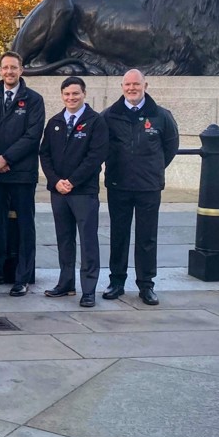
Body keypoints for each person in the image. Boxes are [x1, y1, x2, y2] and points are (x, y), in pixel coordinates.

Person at [101, 69, 180, 306]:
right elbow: (101, 146)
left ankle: (146, 285)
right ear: (122, 86)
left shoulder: (161, 116)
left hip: (148, 186)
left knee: (147, 238)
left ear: (145, 85)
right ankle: (116, 282)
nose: (131, 88)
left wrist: (153, 168)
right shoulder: (109, 115)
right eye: (127, 84)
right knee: (119, 235)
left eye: (136, 84)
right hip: (119, 185)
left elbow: (170, 147)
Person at [0, 52, 45, 296]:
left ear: (21, 70)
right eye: (5, 68)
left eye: (13, 68)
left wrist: (7, 158)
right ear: (0, 70)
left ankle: (22, 276)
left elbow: (32, 136)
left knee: (25, 225)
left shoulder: (34, 100)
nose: (9, 72)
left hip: (22, 174)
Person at [39, 76, 108, 308]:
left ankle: (88, 289)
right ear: (62, 96)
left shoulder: (95, 122)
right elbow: (45, 154)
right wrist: (56, 181)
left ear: (84, 94)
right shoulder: (55, 122)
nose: (71, 98)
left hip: (83, 192)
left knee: (88, 241)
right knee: (64, 239)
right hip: (58, 192)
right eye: (67, 94)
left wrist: (72, 181)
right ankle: (66, 282)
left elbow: (95, 157)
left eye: (75, 94)